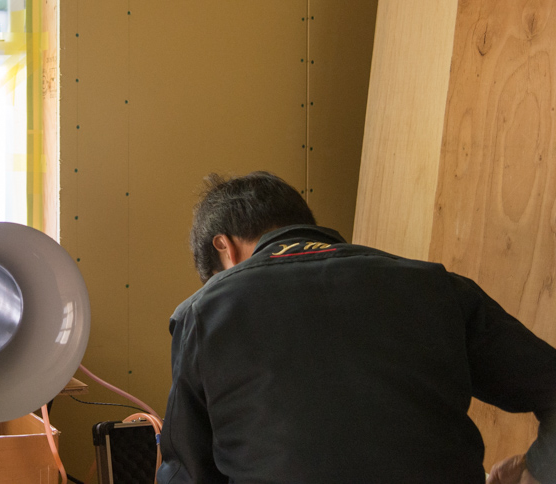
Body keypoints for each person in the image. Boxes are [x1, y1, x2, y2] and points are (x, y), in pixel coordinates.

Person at [157, 171, 556, 484]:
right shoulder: (438, 288)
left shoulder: (203, 312)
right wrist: (537, 467)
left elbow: (187, 476)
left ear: (224, 248)